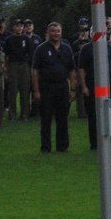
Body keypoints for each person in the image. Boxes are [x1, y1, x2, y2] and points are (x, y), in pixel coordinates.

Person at [31, 21, 74, 153]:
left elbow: (72, 70)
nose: (56, 33)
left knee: (63, 118)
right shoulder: (41, 49)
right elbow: (35, 71)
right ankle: (46, 147)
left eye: (58, 31)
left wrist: (72, 89)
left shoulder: (67, 48)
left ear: (61, 32)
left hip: (62, 86)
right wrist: (36, 90)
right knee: (46, 118)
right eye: (53, 31)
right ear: (48, 32)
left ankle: (62, 146)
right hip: (46, 87)